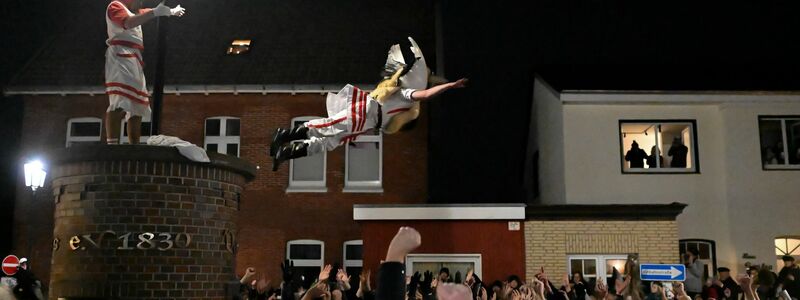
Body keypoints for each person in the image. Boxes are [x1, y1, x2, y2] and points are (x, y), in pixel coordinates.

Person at [269, 37, 468, 171]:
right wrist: (449, 86)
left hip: (369, 123)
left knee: (330, 141)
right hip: (366, 112)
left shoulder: (405, 104)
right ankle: (284, 135)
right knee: (328, 126)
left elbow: (427, 86)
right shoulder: (403, 93)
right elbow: (425, 94)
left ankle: (286, 153)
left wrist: (443, 82)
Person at [104, 0, 185, 144]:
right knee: (120, 100)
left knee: (137, 105)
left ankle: (134, 146)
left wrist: (170, 11)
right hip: (120, 55)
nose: (141, 4)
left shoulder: (133, 11)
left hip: (134, 57)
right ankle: (112, 145)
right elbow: (128, 23)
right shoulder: (115, 6)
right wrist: (155, 13)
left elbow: (148, 11)